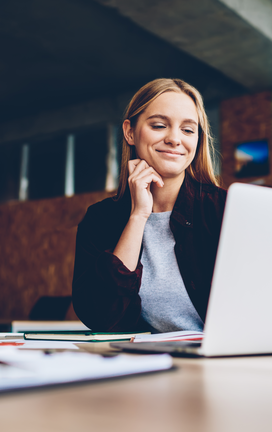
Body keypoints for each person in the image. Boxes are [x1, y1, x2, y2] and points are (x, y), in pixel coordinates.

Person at [72, 78, 227, 333]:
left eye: (188, 130)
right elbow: (101, 316)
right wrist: (138, 215)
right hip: (148, 363)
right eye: (158, 125)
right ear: (130, 132)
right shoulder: (101, 219)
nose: (175, 139)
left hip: (225, 362)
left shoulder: (223, 209)